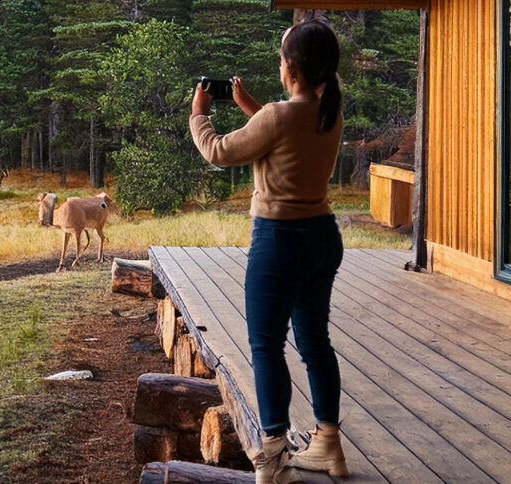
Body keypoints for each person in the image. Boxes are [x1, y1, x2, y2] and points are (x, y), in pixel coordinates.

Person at [188, 19, 347, 484]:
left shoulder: (279, 116)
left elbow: (219, 151)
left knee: (266, 346)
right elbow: (285, 136)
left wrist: (199, 113)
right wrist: (251, 107)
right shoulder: (327, 112)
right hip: (322, 236)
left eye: (281, 58)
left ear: (292, 67)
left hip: (281, 240)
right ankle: (328, 447)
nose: (279, 64)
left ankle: (274, 462)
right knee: (315, 342)